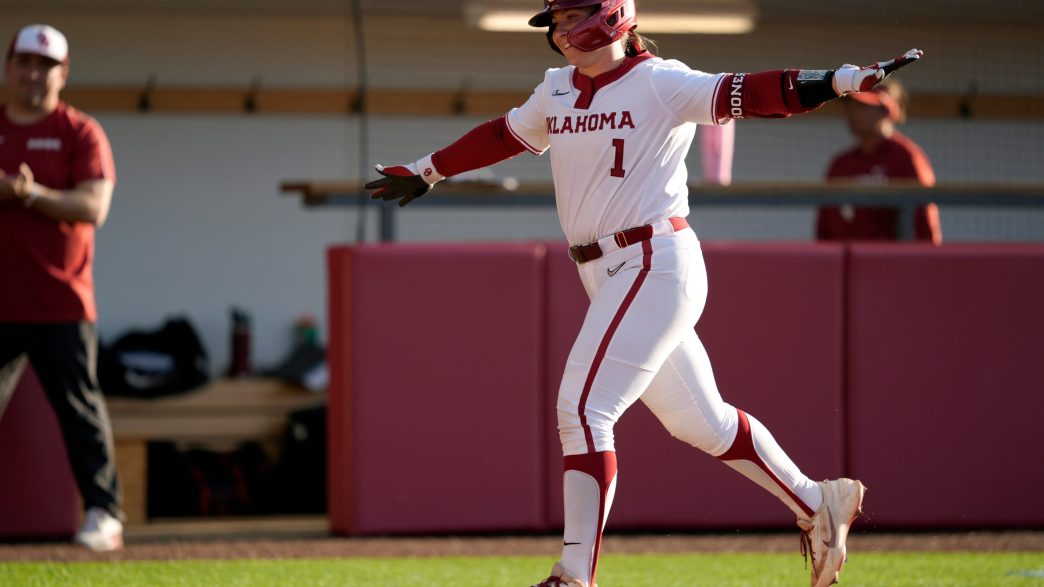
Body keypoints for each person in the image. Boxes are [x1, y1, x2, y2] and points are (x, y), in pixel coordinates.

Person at [366, 2, 922, 585]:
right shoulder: (557, 88)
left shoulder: (659, 80)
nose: (559, 33)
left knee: (583, 409)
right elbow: (503, 134)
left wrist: (839, 80)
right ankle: (817, 500)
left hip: (653, 260)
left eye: (569, 18)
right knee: (701, 422)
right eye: (556, 23)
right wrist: (427, 169)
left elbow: (751, 92)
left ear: (607, 17)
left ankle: (574, 574)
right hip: (608, 270)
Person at [0, 24, 123, 551]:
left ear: (63, 74)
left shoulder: (80, 131)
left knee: (79, 409)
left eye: (46, 66)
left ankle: (104, 512)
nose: (34, 74)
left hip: (61, 300)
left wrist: (30, 195)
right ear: (9, 67)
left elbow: (94, 205)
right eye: (25, 63)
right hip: (2, 300)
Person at [817, 77, 940, 243]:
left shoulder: (906, 157)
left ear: (887, 110)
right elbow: (824, 228)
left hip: (890, 258)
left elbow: (925, 227)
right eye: (850, 106)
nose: (852, 113)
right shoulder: (841, 163)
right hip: (848, 257)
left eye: (862, 106)